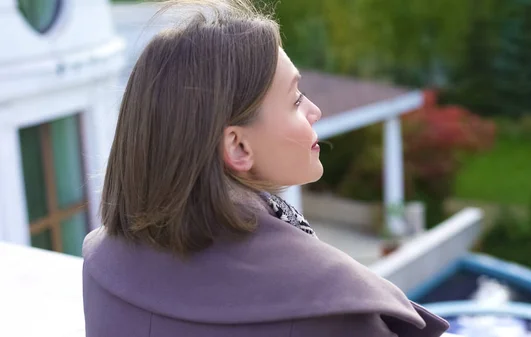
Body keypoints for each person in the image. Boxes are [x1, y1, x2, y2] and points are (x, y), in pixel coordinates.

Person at [82, 1, 450, 336]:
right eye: (294, 99)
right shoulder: (338, 312)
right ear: (238, 147)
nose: (314, 111)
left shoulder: (102, 266)